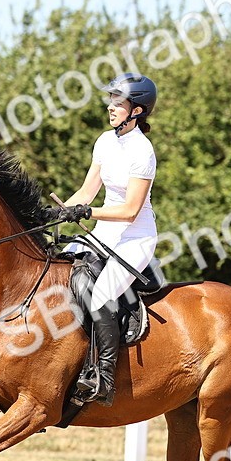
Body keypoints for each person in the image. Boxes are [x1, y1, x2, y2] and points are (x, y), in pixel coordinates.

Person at [46, 72, 159, 407]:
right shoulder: (105, 141)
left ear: (136, 110)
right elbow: (87, 191)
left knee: (101, 296)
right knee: (59, 274)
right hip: (104, 231)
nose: (111, 106)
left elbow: (130, 210)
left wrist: (88, 212)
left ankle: (104, 378)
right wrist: (55, 214)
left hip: (135, 236)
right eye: (111, 99)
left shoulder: (143, 151)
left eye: (118, 102)